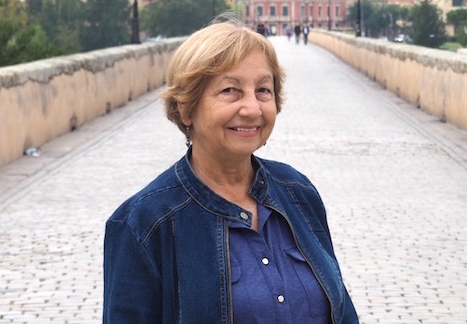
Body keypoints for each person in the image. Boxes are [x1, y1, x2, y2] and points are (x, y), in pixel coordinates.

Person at [103, 18, 358, 323]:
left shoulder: (298, 193)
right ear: (186, 107)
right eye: (230, 90)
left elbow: (343, 312)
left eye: (263, 90)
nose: (252, 109)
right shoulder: (143, 224)